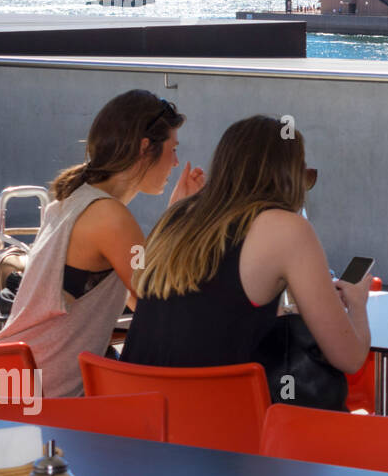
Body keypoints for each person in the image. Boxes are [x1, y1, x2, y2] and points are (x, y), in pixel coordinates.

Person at [0, 90, 204, 396]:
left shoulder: (72, 199)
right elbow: (159, 301)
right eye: (173, 149)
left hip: (10, 381)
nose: (176, 163)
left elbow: (139, 295)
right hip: (43, 397)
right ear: (145, 148)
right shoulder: (109, 216)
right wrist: (177, 217)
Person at [123, 115, 370, 378]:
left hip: (134, 405)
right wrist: (357, 304)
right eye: (304, 174)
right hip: (215, 411)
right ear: (287, 175)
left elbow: (211, 309)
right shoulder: (287, 228)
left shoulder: (177, 214)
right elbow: (349, 358)